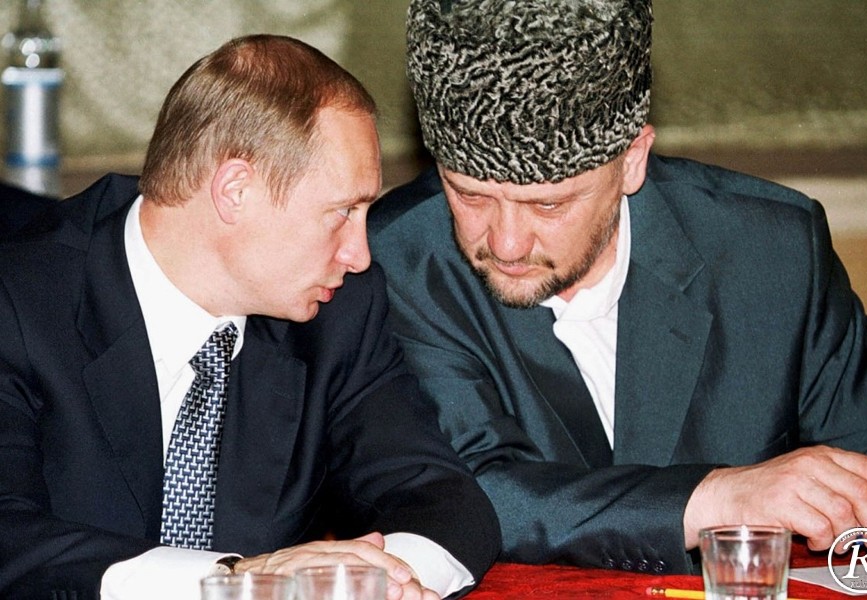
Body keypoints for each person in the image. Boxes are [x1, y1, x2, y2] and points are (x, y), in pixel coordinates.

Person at [367, 0, 867, 575]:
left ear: (631, 162)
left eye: (548, 204)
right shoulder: (399, 261)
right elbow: (465, 491)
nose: (507, 243)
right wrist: (715, 498)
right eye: (469, 194)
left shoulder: (772, 250)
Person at [0, 34, 500, 599]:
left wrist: (375, 581)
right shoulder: (20, 300)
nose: (359, 255)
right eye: (342, 211)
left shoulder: (340, 310)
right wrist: (235, 583)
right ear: (235, 190)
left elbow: (442, 498)